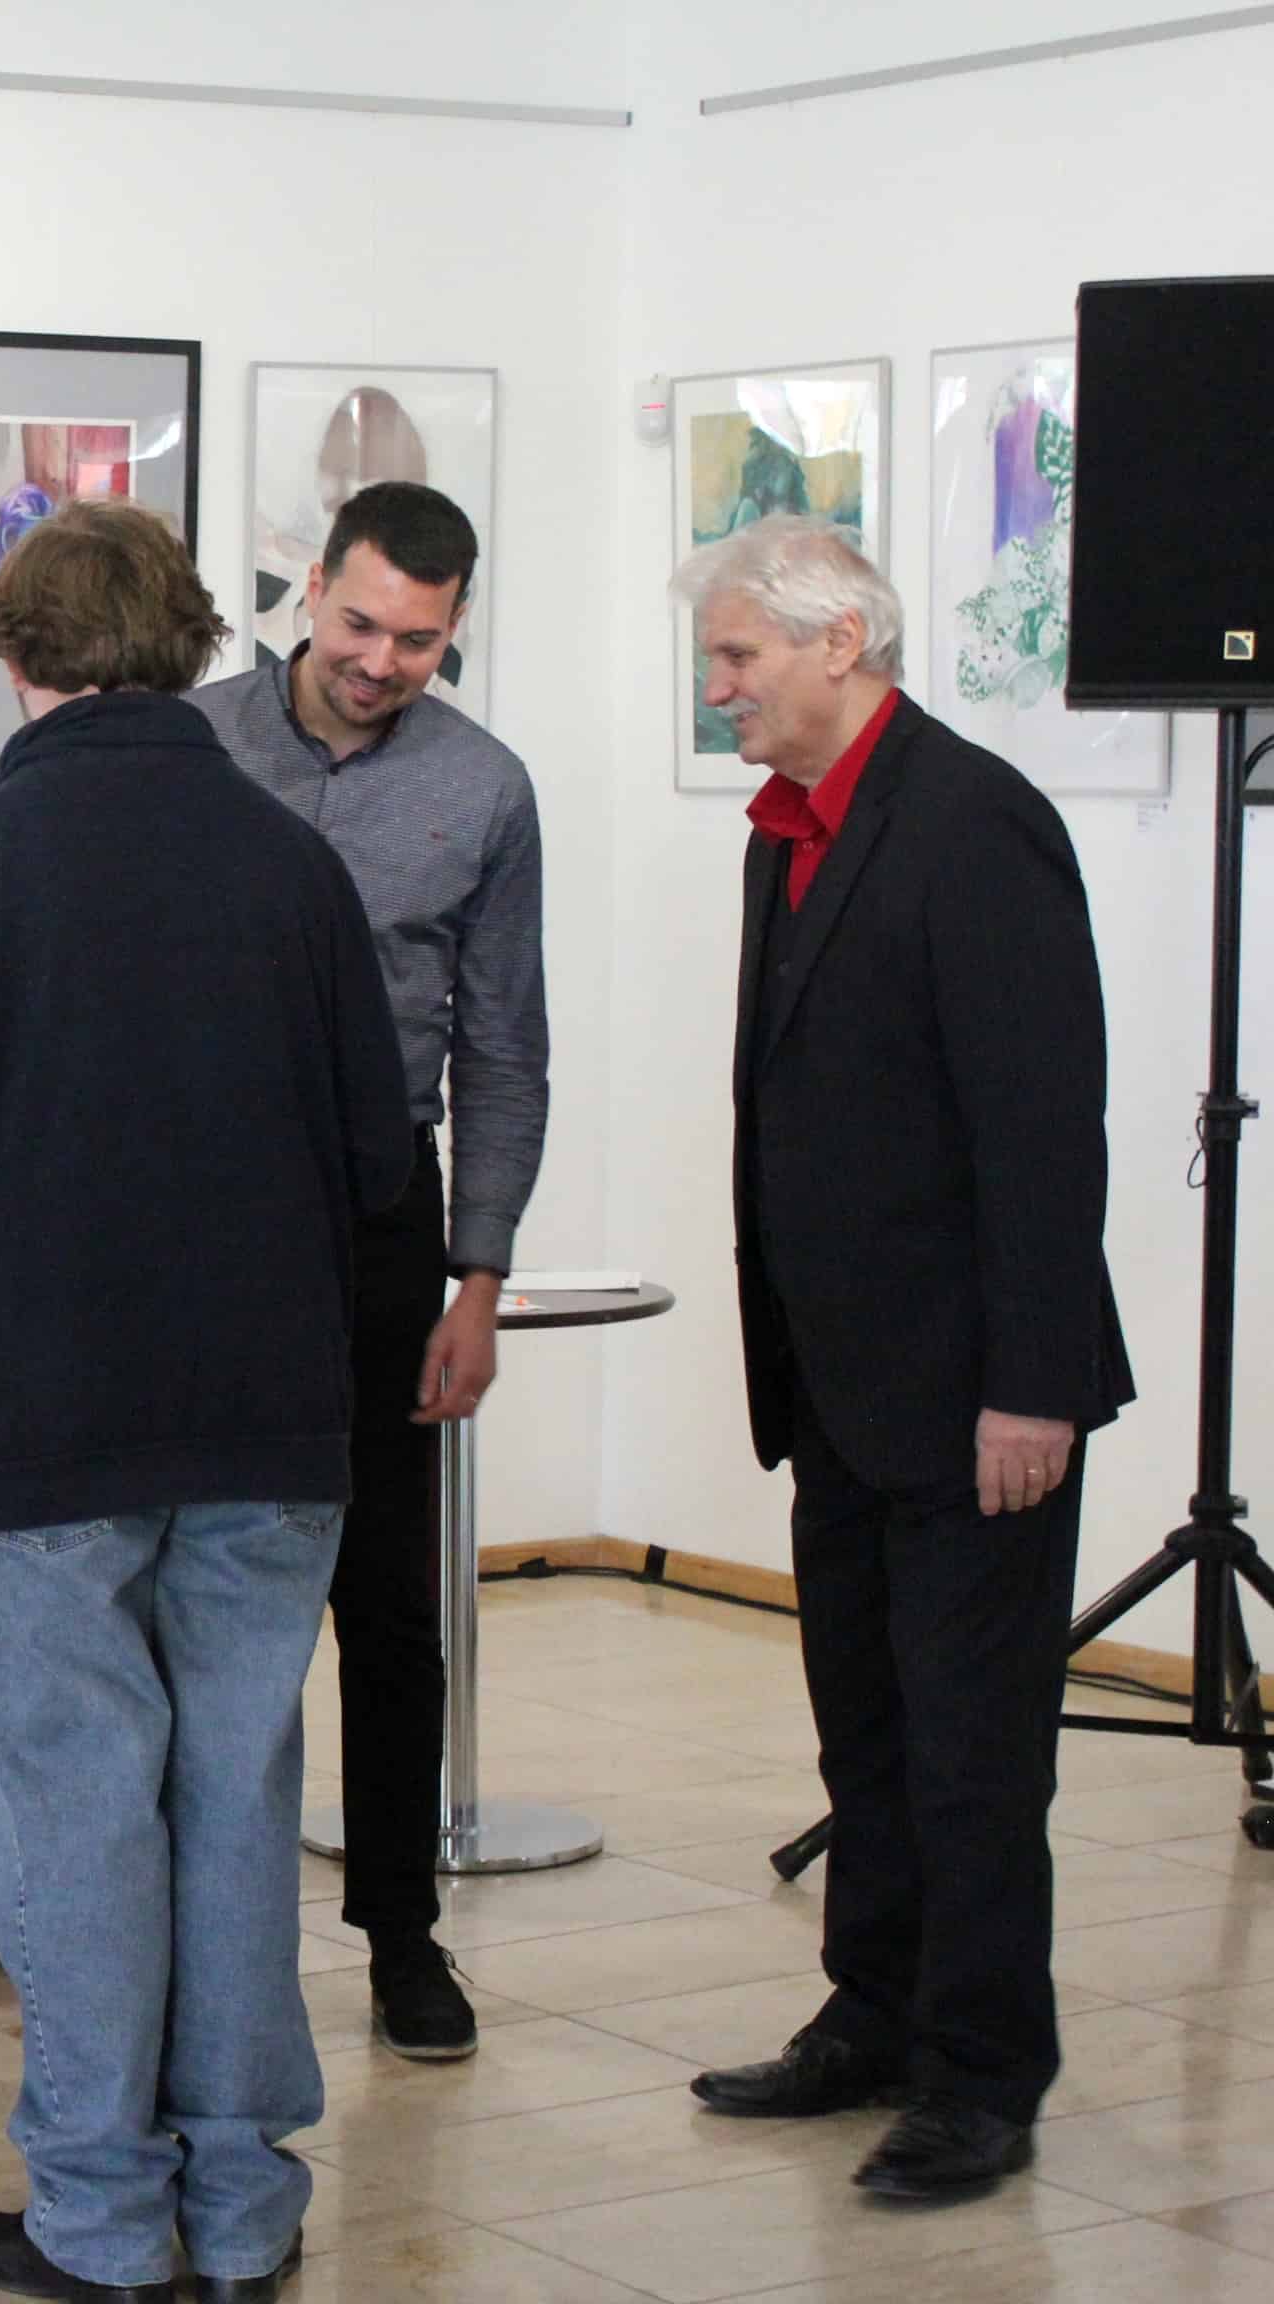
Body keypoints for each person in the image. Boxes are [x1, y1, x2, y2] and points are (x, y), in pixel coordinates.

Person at [0, 500, 409, 2304]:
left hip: (38, 1413)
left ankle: (96, 2213)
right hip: (267, 1409)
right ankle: (240, 2207)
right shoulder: (293, 866)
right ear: (189, 646)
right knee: (233, 1799)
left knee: (72, 1803)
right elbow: (383, 1162)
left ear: (14, 657)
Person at [671, 516, 1130, 2205]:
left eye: (738, 658)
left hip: (970, 1390)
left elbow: (1040, 1127)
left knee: (971, 1754)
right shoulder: (785, 837)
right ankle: (871, 2015)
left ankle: (982, 2073)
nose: (720, 689)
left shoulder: (974, 822)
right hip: (840, 1384)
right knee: (864, 1734)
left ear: (838, 643)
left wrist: (1036, 1380)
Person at [191, 480, 548, 2062]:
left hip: (384, 1211)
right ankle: (200, 1931)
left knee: (389, 1597)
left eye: (417, 640)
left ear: (453, 629)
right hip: (199, 1203)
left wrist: (480, 1279)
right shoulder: (191, 749)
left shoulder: (485, 788)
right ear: (309, 588)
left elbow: (505, 1047)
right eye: (359, 625)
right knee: (197, 1583)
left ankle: (404, 1935)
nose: (380, 662)